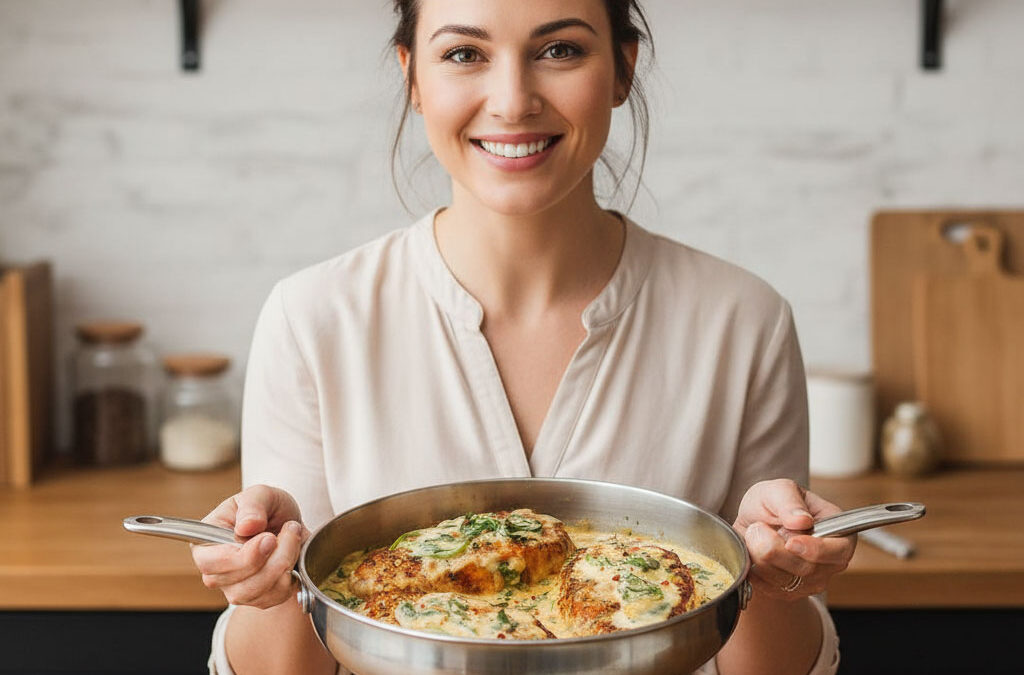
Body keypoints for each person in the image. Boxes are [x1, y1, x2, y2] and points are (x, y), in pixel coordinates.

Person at [191, 1, 855, 674]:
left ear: (623, 68)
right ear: (413, 77)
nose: (511, 102)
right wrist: (267, 581)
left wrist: (775, 575)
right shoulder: (313, 320)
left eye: (559, 50)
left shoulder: (743, 321)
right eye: (463, 54)